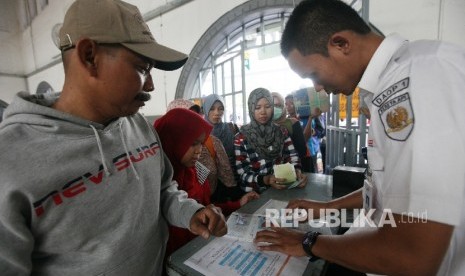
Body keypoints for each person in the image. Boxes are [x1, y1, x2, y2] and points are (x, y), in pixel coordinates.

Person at [0, 0, 227, 275]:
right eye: (142, 68)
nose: (151, 85)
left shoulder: (139, 127)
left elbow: (163, 189)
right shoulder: (9, 162)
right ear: (89, 56)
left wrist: (189, 212)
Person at [254, 0, 465, 275]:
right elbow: (381, 188)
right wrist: (327, 207)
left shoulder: (419, 79)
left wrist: (308, 242)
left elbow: (413, 255)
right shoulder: (391, 83)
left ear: (341, 44)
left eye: (314, 74)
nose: (318, 87)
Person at [164, 99, 259, 215]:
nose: (199, 150)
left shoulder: (197, 169)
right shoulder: (159, 179)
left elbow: (205, 208)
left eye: (200, 143)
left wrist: (238, 204)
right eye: (193, 143)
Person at [234, 88, 308, 193]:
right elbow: (242, 173)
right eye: (257, 107)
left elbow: (292, 156)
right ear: (251, 109)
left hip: (282, 190)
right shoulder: (240, 138)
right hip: (254, 196)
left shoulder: (282, 131)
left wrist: (297, 170)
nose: (263, 112)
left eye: (268, 106)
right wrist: (266, 180)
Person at [271, 92, 314, 173]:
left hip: (299, 165)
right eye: (272, 105)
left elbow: (302, 149)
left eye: (278, 105)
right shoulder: (264, 127)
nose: (275, 108)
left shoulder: (293, 122)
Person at [202, 94, 238, 165]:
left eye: (220, 108)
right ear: (206, 109)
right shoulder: (200, 132)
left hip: (233, 171)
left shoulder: (231, 128)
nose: (217, 113)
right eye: (212, 109)